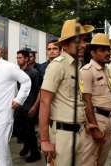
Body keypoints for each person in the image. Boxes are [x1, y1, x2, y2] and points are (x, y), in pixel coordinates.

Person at [39, 19, 94, 166]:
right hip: (63, 136)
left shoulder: (77, 66)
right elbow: (44, 102)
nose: (83, 45)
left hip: (79, 132)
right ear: (64, 44)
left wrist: (87, 123)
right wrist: (44, 140)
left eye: (84, 40)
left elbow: (77, 99)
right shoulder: (57, 66)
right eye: (78, 41)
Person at [80, 33, 111, 166]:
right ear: (92, 53)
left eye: (108, 49)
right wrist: (94, 127)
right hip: (97, 119)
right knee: (89, 161)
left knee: (101, 160)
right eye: (102, 50)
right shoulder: (87, 71)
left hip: (109, 121)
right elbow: (86, 101)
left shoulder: (106, 70)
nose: (107, 53)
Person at [14, 49, 41, 162]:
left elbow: (40, 91)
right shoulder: (19, 72)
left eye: (20, 57)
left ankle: (35, 154)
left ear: (26, 59)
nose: (18, 59)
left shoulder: (34, 73)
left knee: (29, 131)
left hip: (30, 107)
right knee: (18, 130)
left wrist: (35, 107)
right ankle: (27, 145)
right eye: (17, 57)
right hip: (21, 107)